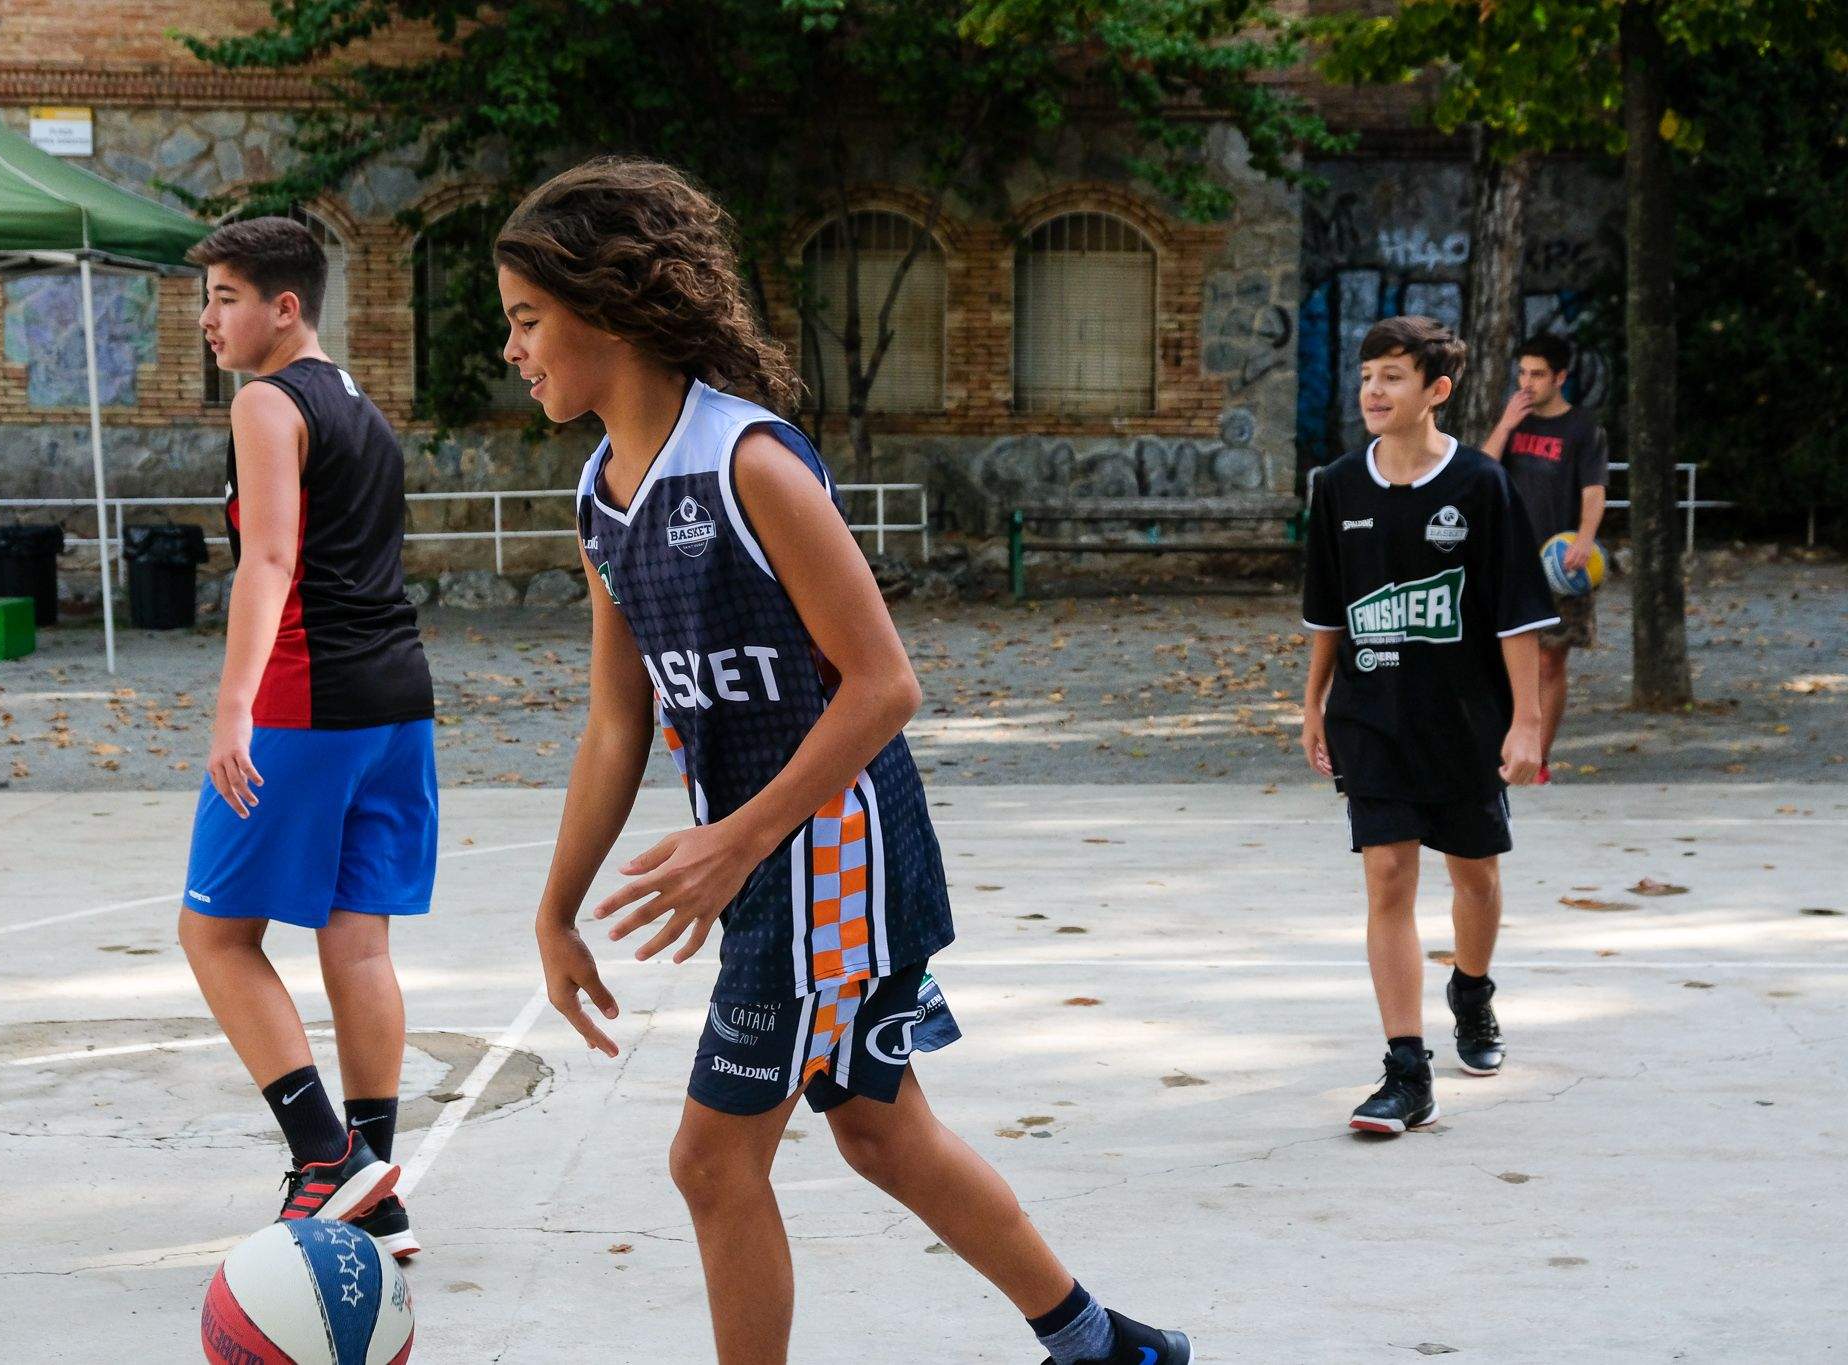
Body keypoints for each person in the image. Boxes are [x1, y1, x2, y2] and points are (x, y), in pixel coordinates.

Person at [511, 158, 1189, 1365]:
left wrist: (738, 835)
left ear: (606, 310)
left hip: (832, 856)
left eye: (524, 320)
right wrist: (555, 909)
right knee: (878, 1128)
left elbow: (885, 684)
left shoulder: (747, 464)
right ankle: (1105, 1348)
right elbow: (619, 719)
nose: (511, 349)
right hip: (777, 854)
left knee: (711, 1162)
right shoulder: (601, 496)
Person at [178, 217, 435, 1259]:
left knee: (215, 935)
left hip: (303, 700)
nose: (208, 318)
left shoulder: (266, 401)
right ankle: (372, 1185)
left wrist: (232, 704)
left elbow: (269, 562)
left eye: (227, 296)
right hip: (396, 704)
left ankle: (323, 1155)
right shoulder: (362, 408)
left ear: (286, 308)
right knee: (357, 941)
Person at [1299, 315, 1557, 1134]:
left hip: (1463, 719)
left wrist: (1526, 722)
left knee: (1473, 876)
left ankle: (1472, 992)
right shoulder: (1337, 486)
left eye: (1393, 377)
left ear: (1435, 391)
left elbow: (1518, 615)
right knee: (1387, 878)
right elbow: (1328, 612)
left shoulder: (1480, 485)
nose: (1373, 390)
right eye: (1367, 374)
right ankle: (1406, 1069)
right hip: (1372, 717)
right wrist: (1312, 704)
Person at [1480, 333, 1609, 784]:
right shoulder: (1516, 422)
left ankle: (1539, 758)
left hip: (1560, 566)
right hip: (1510, 559)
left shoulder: (1583, 430)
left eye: (1537, 374)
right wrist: (1505, 425)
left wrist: (1585, 541)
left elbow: (1594, 492)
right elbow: (1481, 473)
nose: (1527, 383)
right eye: (1522, 373)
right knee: (1506, 658)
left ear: (1560, 377)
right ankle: (1504, 746)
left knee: (1551, 661)